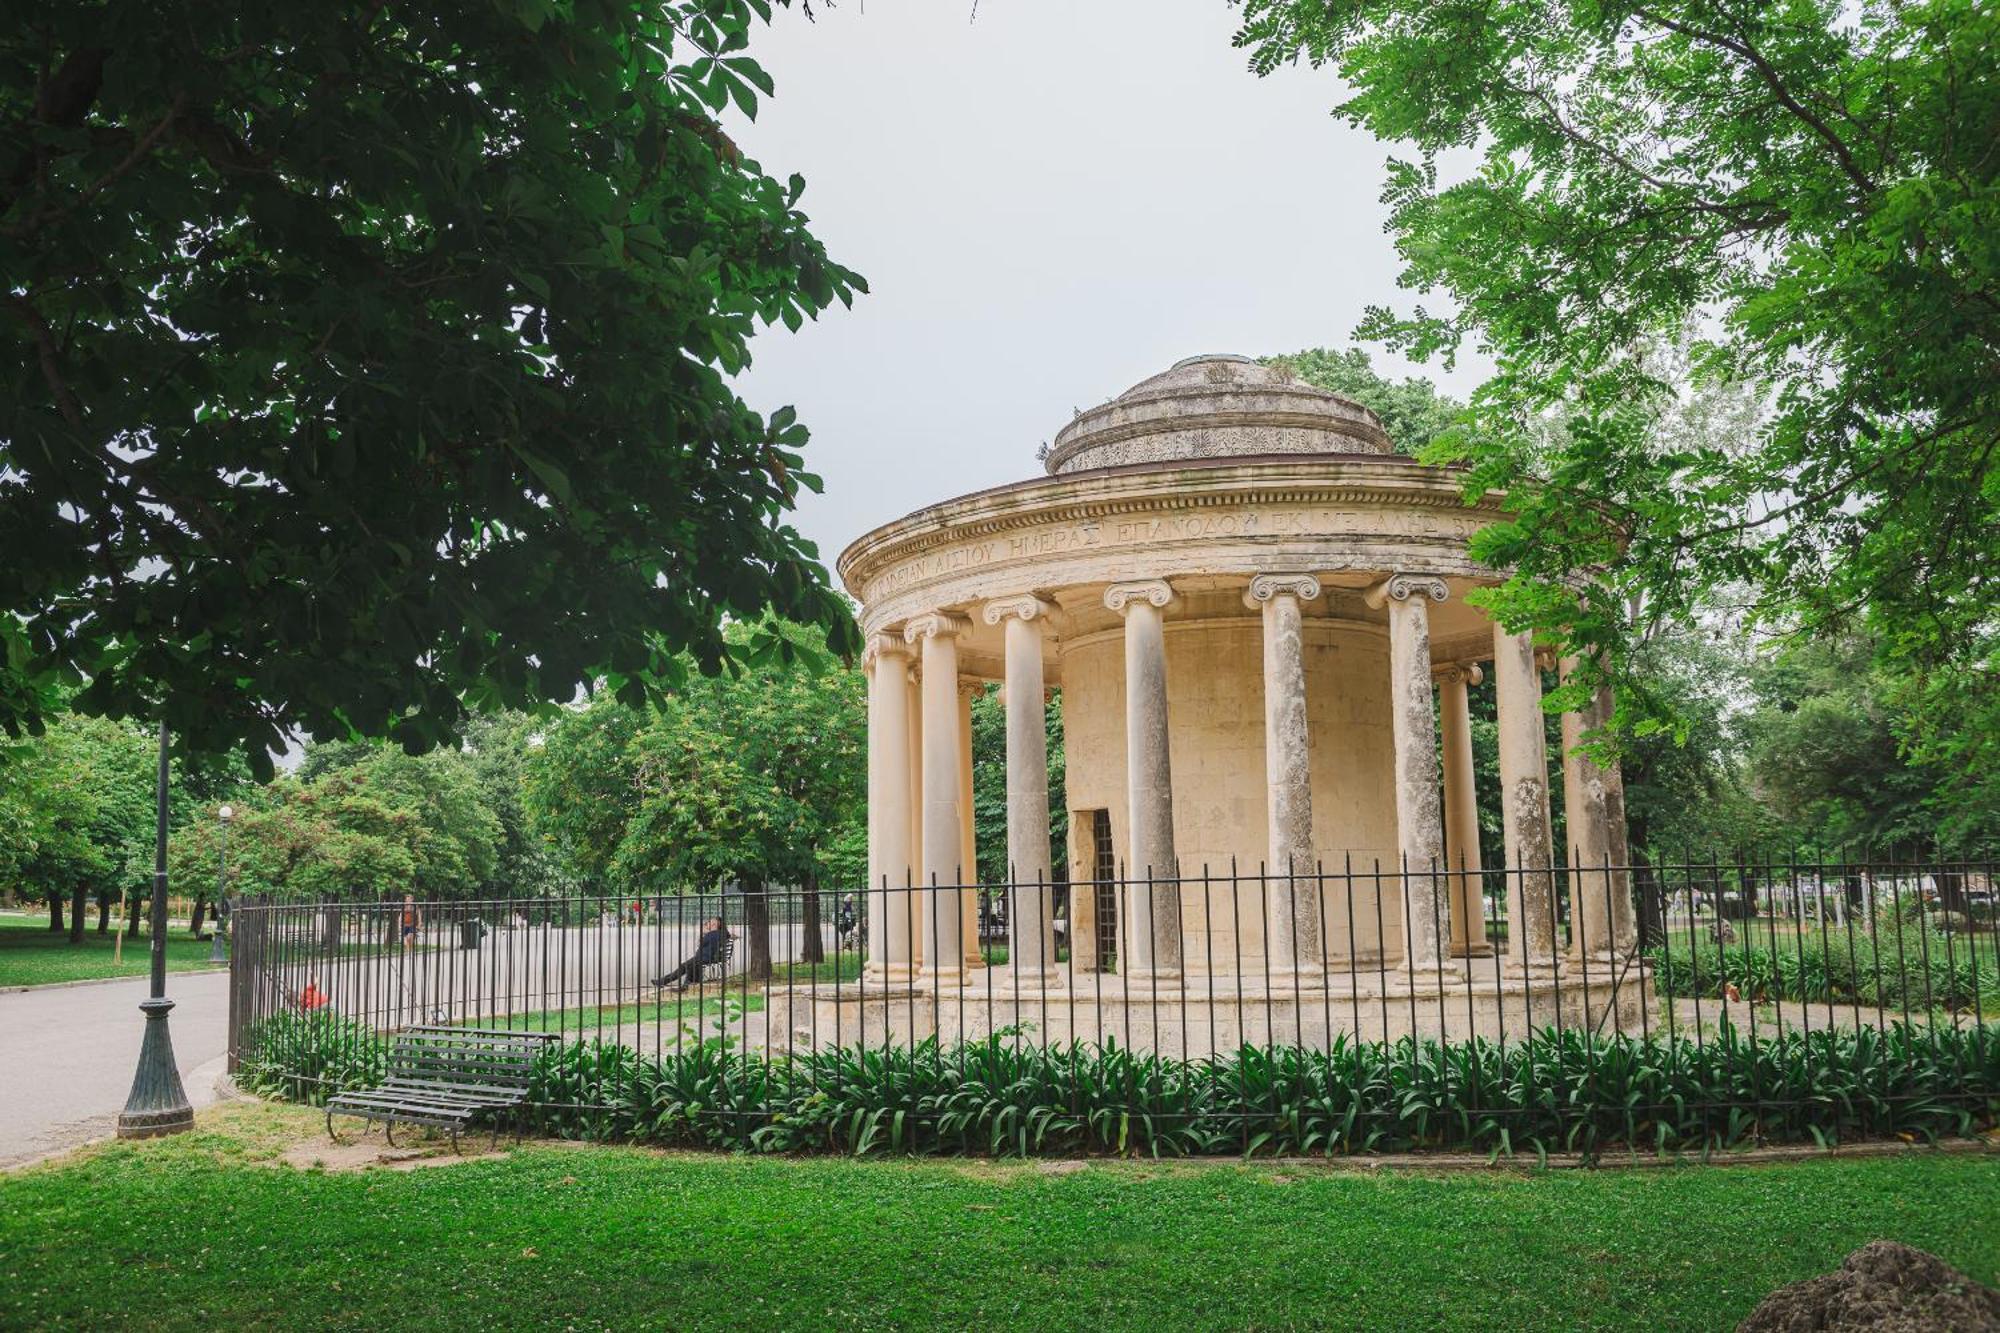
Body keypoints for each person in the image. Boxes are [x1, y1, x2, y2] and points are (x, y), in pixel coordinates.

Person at [650, 917, 731, 990]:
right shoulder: (721, 933)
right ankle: (686, 984)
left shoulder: (712, 934)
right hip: (705, 957)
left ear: (714, 924)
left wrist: (705, 933)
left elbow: (701, 943)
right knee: (689, 965)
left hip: (705, 958)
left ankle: (677, 984)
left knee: (685, 966)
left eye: (709, 922)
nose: (707, 923)